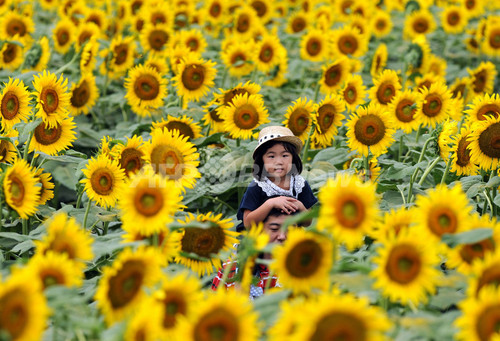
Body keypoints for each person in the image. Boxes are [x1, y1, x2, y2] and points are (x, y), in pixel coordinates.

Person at [236, 125, 318, 232]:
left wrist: (301, 207)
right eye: (271, 156)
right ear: (262, 160)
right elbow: (247, 223)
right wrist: (270, 204)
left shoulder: (300, 185)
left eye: (285, 155)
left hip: (289, 237)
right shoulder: (258, 186)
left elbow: (307, 222)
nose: (279, 162)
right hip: (259, 240)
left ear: (293, 158)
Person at [211, 207, 294, 298]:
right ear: (260, 230)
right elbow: (215, 302)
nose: (282, 236)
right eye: (274, 229)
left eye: (289, 229)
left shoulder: (302, 270)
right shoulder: (232, 266)